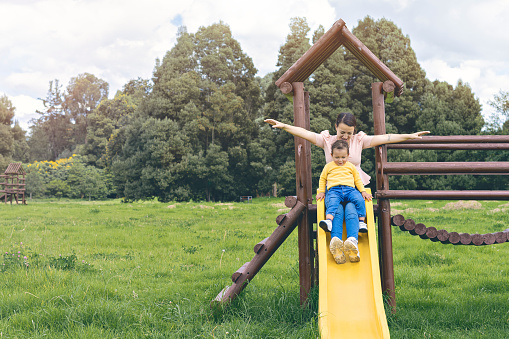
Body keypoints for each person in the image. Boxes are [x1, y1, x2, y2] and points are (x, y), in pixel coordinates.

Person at [264, 113, 428, 245]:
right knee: (336, 210)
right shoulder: (327, 141)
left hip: (354, 187)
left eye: (349, 133)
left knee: (350, 210)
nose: (345, 136)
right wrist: (284, 126)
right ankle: (335, 241)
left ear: (354, 130)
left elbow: (387, 138)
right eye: (342, 132)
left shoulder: (359, 140)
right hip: (334, 187)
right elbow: (306, 134)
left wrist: (410, 136)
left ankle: (352, 241)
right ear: (336, 127)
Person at [316, 139, 372, 263]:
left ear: (348, 155)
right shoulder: (329, 166)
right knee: (335, 209)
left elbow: (357, 179)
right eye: (337, 157)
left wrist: (363, 191)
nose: (340, 160)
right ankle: (334, 236)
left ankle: (359, 226)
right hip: (334, 191)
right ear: (331, 156)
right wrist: (321, 191)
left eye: (343, 157)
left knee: (357, 201)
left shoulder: (350, 166)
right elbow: (322, 179)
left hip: (350, 190)